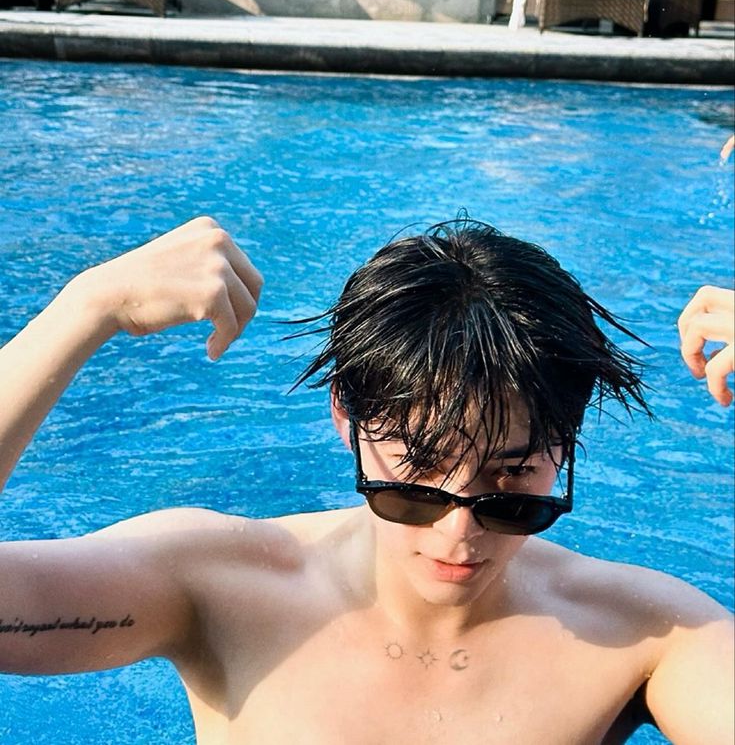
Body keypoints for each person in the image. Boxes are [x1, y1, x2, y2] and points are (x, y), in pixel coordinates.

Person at [0, 215, 732, 744]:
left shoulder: (646, 637)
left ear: (565, 448)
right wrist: (83, 309)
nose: (460, 528)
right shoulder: (212, 587)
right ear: (346, 419)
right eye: (414, 473)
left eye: (512, 480)